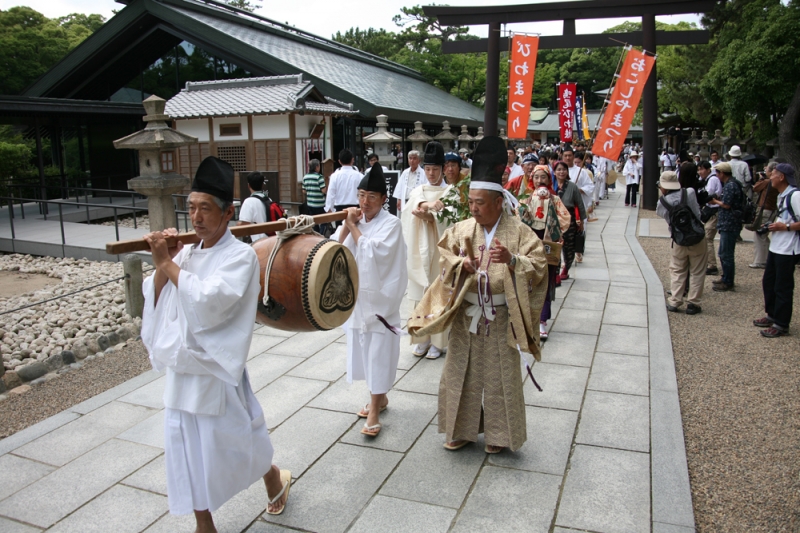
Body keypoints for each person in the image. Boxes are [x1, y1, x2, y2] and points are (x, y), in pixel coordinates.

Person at [140, 157, 291, 531]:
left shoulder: (240, 257)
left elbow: (210, 302)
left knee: (236, 444)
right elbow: (160, 299)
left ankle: (272, 475)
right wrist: (167, 265)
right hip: (183, 372)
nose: (195, 217)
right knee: (186, 449)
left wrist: (167, 264)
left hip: (216, 372)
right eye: (190, 208)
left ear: (227, 213)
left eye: (205, 208)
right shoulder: (187, 253)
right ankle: (204, 523)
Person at [407, 136, 548, 454]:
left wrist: (513, 261)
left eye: (479, 203)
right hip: (468, 313)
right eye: (470, 202)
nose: (473, 208)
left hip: (500, 315)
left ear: (499, 202)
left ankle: (500, 434)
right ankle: (460, 430)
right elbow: (445, 256)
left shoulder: (519, 232)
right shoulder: (461, 229)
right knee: (460, 372)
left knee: (501, 376)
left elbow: (539, 266)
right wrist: (461, 264)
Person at [335, 163, 407, 437]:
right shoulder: (356, 221)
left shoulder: (392, 224)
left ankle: (375, 409)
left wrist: (354, 227)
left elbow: (375, 253)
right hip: (358, 300)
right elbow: (337, 249)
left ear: (383, 200)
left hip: (381, 302)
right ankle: (380, 398)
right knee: (365, 354)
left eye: (371, 197)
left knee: (378, 354)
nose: (364, 202)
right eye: (361, 195)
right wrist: (346, 225)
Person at [401, 141, 450, 359]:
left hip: (439, 250)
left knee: (438, 293)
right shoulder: (418, 191)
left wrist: (432, 217)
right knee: (419, 294)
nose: (431, 174)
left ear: (443, 169)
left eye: (435, 169)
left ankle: (438, 342)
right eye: (428, 169)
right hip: (418, 248)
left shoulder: (451, 192)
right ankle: (421, 337)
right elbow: (409, 210)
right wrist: (425, 206)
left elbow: (452, 221)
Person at [520, 165, 571, 339]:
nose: (540, 180)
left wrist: (555, 229)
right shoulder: (526, 198)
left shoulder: (555, 199)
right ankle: (528, 319)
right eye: (536, 177)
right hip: (530, 240)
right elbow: (517, 219)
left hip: (548, 240)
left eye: (543, 177)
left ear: (549, 180)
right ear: (531, 180)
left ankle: (542, 321)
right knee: (528, 278)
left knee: (546, 280)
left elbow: (566, 218)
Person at [754, 163, 800, 337]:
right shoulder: (782, 195)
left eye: (772, 173)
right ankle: (772, 314)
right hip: (777, 246)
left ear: (781, 177)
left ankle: (782, 323)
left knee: (783, 286)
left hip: (788, 249)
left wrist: (785, 227)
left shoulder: (795, 196)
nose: (769, 176)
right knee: (769, 282)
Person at [656, 171, 707, 315]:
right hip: (697, 236)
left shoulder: (662, 202)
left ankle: (675, 301)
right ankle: (693, 303)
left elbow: (663, 216)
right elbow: (697, 213)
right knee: (697, 271)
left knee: (677, 270)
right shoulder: (689, 192)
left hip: (678, 239)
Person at [708, 162, 743, 291]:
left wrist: (714, 201)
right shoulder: (733, 183)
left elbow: (727, 204)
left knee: (726, 254)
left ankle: (728, 280)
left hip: (730, 223)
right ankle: (725, 277)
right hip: (730, 223)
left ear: (722, 173)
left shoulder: (730, 186)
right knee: (724, 253)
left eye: (717, 173)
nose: (716, 175)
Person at [553, 160, 586, 280]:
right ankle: (555, 272)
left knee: (568, 245)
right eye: (559, 169)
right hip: (553, 219)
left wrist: (581, 221)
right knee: (554, 245)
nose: (561, 172)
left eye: (564, 169)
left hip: (569, 219)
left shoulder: (572, 186)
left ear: (567, 172)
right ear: (554, 172)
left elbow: (580, 204)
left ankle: (566, 268)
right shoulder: (551, 185)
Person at [750, 163, 780, 268]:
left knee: (760, 235)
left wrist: (761, 179)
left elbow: (755, 188)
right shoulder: (777, 182)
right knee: (764, 235)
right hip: (772, 209)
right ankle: (766, 258)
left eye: (766, 169)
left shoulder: (767, 182)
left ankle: (760, 261)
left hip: (765, 209)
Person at [698, 161, 721, 275]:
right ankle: (708, 262)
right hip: (711, 210)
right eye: (699, 169)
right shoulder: (709, 179)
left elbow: (708, 194)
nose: (700, 172)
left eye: (702, 169)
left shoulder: (712, 179)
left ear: (708, 169)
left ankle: (712, 265)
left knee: (708, 238)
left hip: (714, 211)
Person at [325, 149, 362, 215]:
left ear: (339, 161)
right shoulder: (360, 176)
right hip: (356, 207)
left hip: (340, 208)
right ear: (352, 160)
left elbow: (331, 193)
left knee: (340, 225)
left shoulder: (334, 176)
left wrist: (329, 208)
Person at [302, 159, 327, 233]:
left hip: (310, 204)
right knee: (324, 220)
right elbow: (324, 190)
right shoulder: (319, 177)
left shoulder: (305, 177)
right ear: (316, 167)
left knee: (314, 221)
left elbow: (303, 191)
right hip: (320, 204)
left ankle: (316, 233)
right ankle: (321, 234)